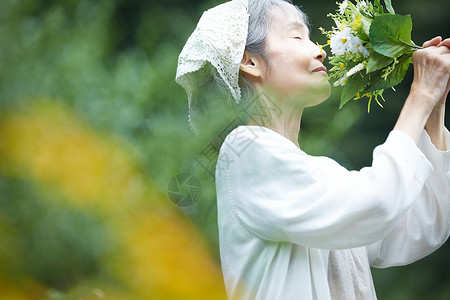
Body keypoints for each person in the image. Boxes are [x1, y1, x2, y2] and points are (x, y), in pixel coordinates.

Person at [176, 0, 450, 299]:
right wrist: (420, 95)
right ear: (250, 62)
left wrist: (433, 106)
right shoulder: (246, 150)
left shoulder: (308, 173)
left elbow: (420, 228)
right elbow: (378, 202)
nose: (319, 49)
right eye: (297, 37)